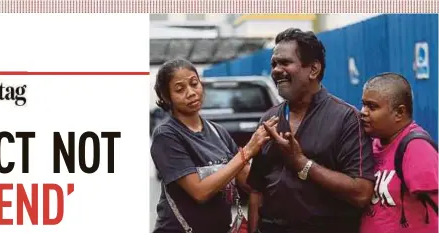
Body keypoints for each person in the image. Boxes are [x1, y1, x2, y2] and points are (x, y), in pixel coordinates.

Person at [246, 28, 376, 233]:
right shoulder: (269, 119)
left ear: (313, 69)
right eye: (274, 64)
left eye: (285, 63)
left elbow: (361, 193)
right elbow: (256, 189)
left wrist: (302, 163)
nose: (276, 70)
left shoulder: (345, 119)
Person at [150, 58, 274, 233]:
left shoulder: (218, 132)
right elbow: (200, 192)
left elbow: (250, 182)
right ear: (166, 97)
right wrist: (246, 152)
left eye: (194, 84)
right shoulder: (167, 135)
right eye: (180, 89)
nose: (191, 92)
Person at [359, 72, 438, 233]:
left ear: (399, 113)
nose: (363, 112)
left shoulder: (416, 148)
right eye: (364, 104)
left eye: (372, 107)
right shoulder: (372, 145)